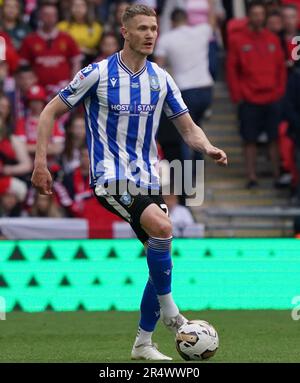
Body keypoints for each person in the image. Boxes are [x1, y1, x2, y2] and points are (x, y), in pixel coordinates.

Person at [31, 4, 227, 361]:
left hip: (147, 179)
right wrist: (41, 162)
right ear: (125, 32)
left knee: (160, 254)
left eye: (153, 28)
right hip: (110, 176)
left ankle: (142, 345)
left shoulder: (161, 78)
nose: (150, 34)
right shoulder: (97, 74)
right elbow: (50, 111)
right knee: (162, 226)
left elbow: (187, 128)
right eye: (142, 28)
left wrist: (208, 146)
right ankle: (172, 315)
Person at [226, 1, 286, 189]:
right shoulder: (237, 39)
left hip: (271, 97)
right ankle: (251, 176)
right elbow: (231, 69)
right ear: (249, 16)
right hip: (249, 99)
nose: (258, 17)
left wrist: (279, 92)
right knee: (249, 139)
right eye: (255, 14)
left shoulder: (273, 39)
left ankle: (277, 175)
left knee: (274, 138)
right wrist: (238, 95)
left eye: (261, 14)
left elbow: (281, 69)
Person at [155, 8, 214, 164]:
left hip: (185, 90)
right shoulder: (202, 31)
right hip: (206, 89)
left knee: (186, 132)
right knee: (196, 125)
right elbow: (213, 22)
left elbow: (159, 66)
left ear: (172, 22)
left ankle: (190, 171)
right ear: (187, 19)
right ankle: (198, 161)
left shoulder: (166, 39)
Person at [19, 2, 82, 99]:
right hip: (37, 93)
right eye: (46, 15)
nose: (50, 18)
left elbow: (76, 63)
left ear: (57, 17)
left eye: (53, 15)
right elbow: (23, 67)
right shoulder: (29, 40)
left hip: (63, 91)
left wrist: (73, 85)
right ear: (40, 16)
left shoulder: (67, 38)